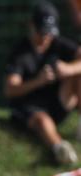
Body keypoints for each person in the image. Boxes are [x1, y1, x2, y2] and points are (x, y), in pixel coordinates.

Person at [5, 1, 81, 164]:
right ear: (31, 26)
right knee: (42, 120)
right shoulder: (20, 53)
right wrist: (38, 81)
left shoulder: (58, 43)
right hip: (31, 106)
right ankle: (60, 148)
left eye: (49, 33)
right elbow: (10, 89)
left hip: (57, 102)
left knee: (78, 73)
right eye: (42, 33)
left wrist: (69, 69)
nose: (45, 38)